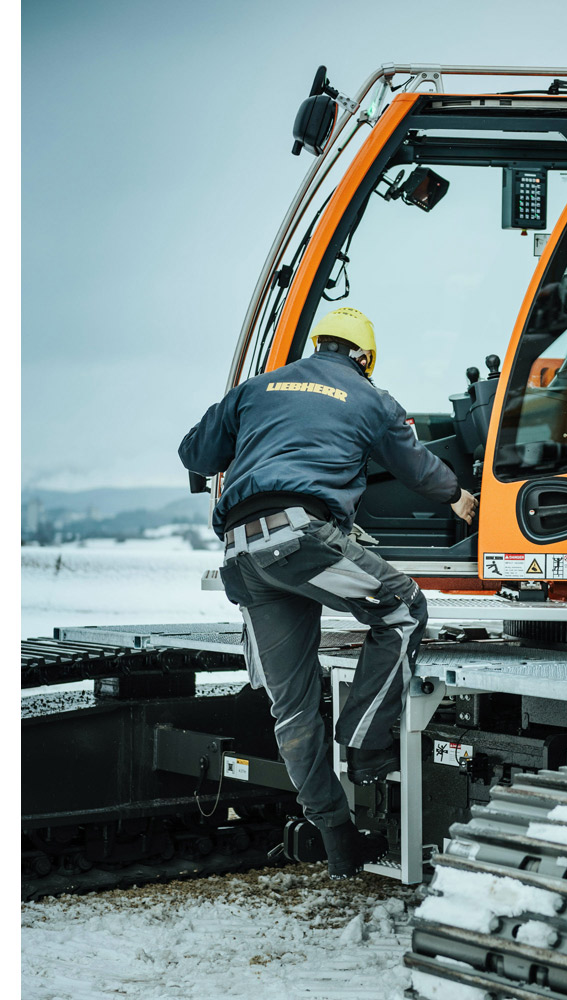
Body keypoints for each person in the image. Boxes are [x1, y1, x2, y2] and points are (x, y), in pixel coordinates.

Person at [178, 306, 478, 879]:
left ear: (319, 345)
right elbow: (413, 463)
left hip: (243, 557)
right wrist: (457, 497)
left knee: (291, 707)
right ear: (364, 357)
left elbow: (195, 452)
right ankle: (366, 744)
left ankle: (338, 842)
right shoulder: (369, 397)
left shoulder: (257, 388)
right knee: (403, 609)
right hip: (299, 540)